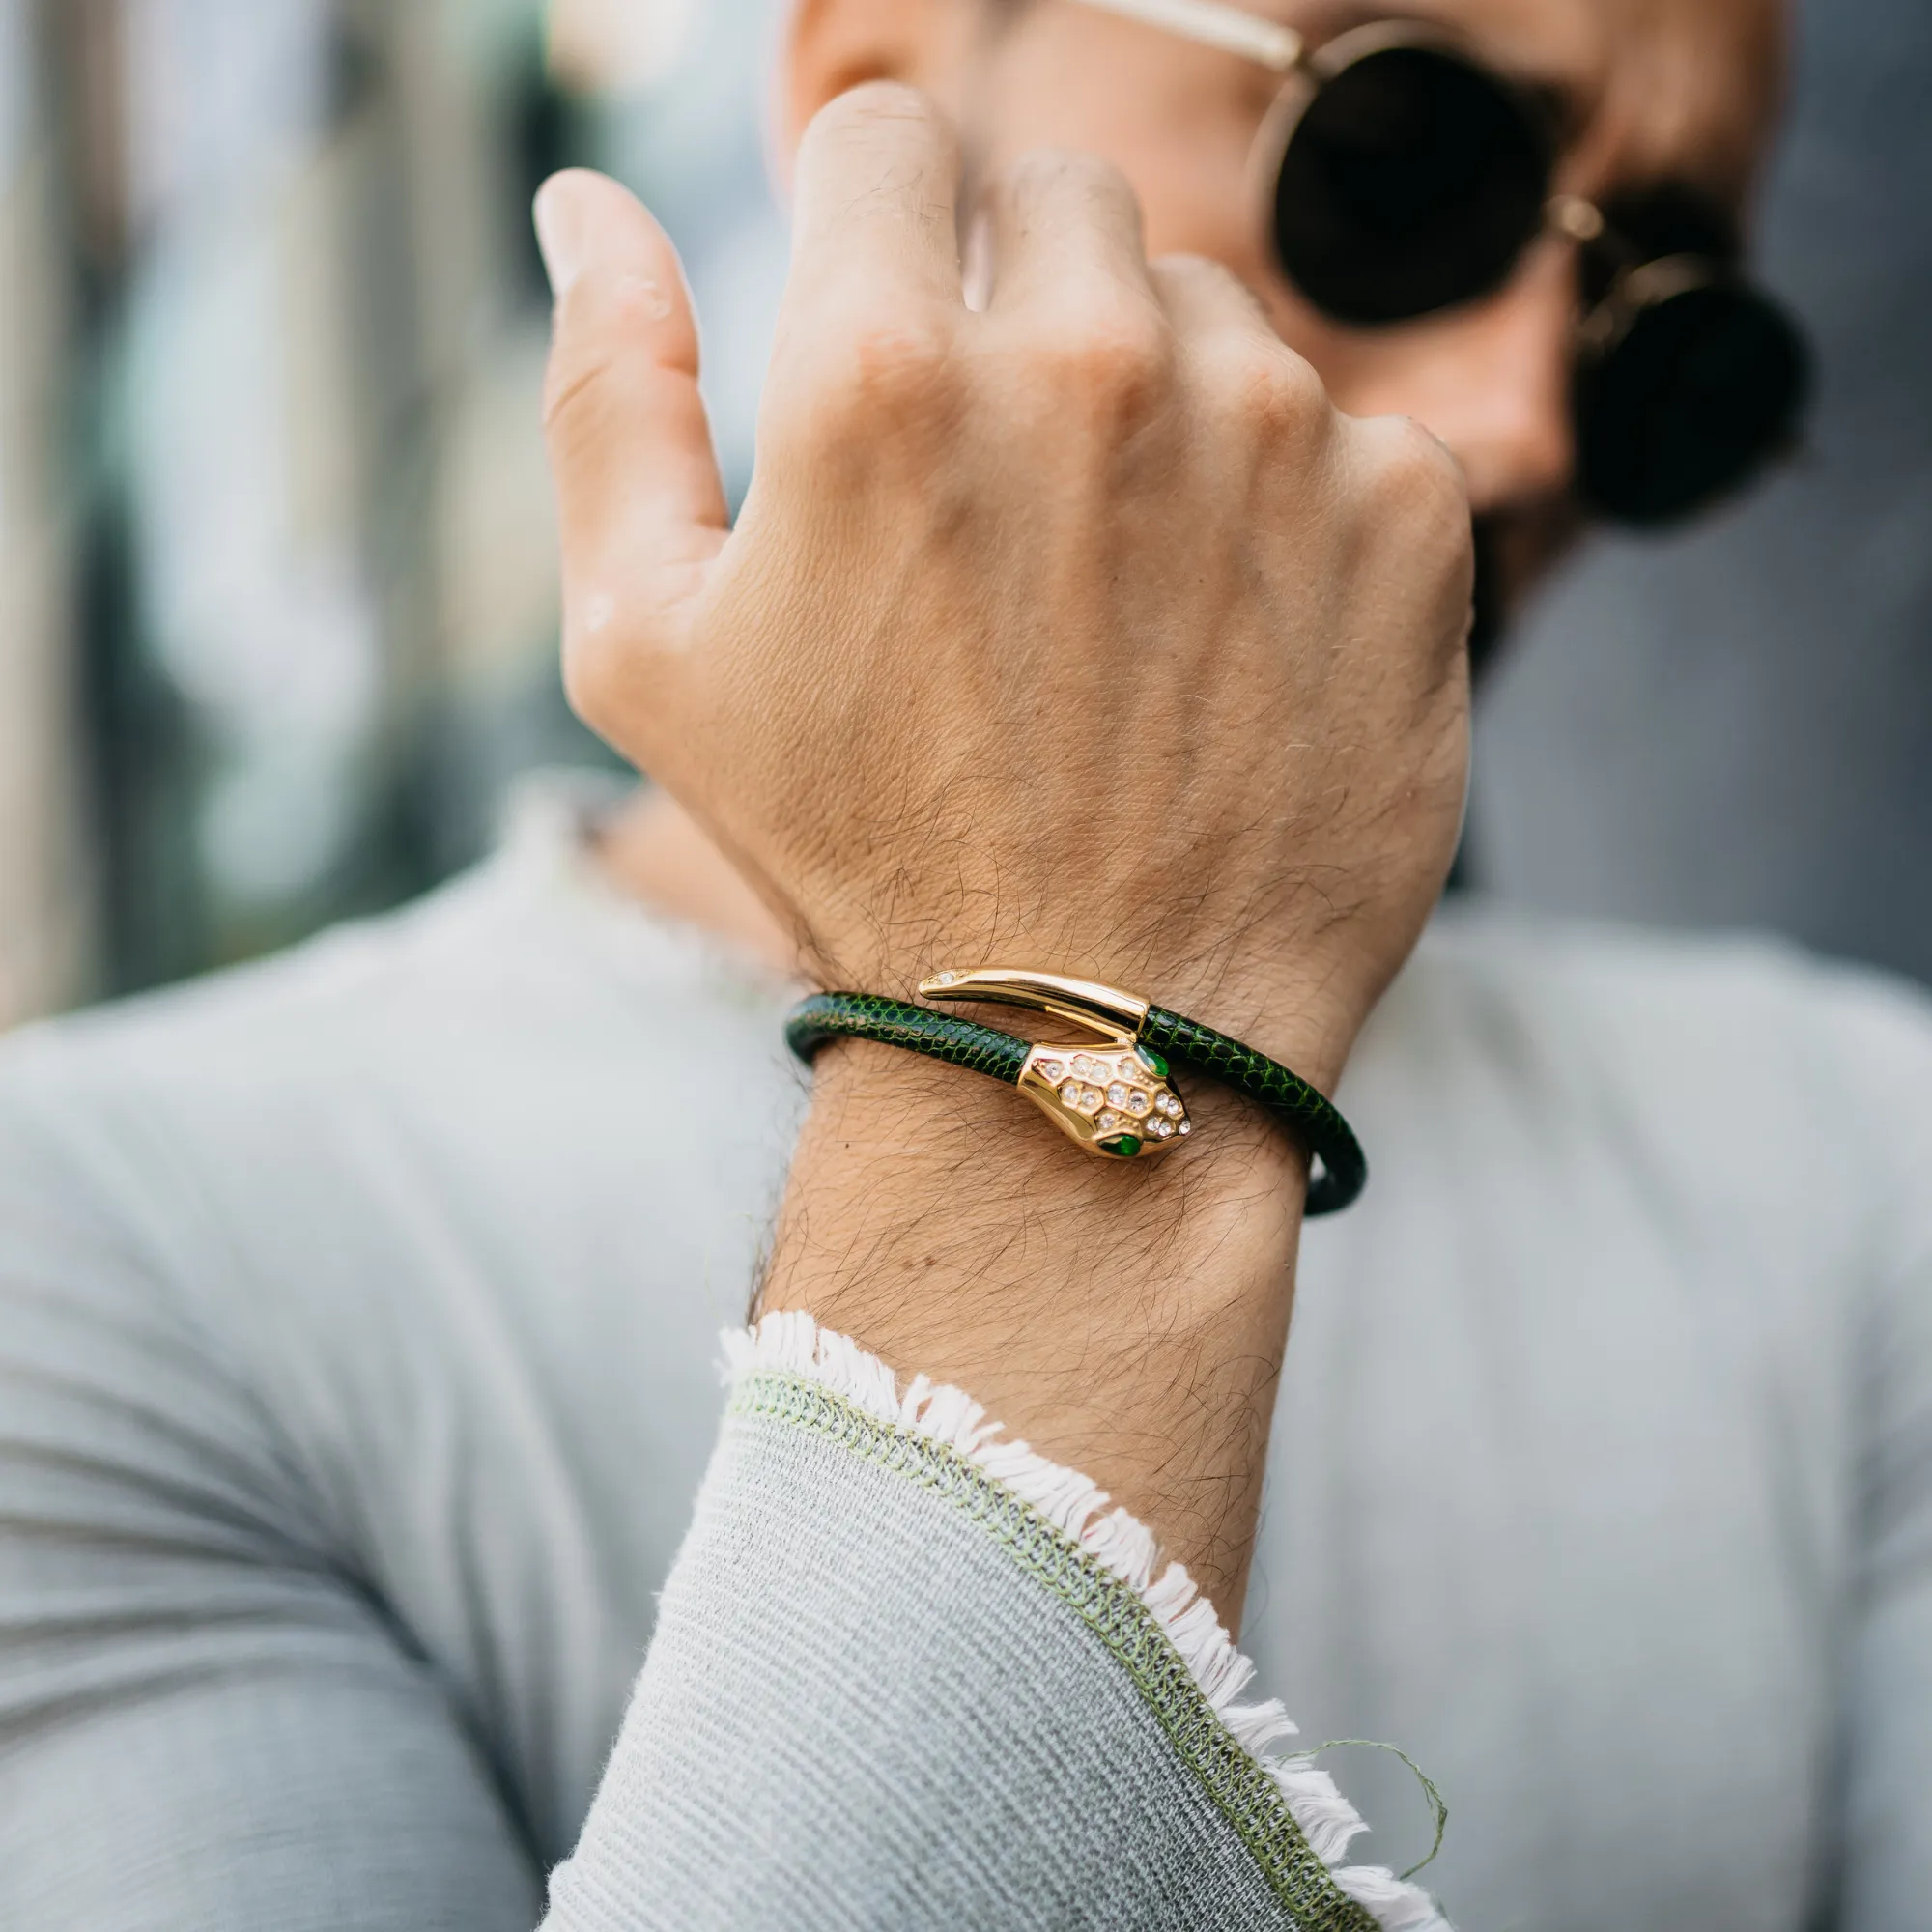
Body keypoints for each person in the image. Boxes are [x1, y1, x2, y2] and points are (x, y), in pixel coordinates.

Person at [0, 1, 1923, 1927]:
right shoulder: (93, 1241)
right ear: (877, 101)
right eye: (1407, 168)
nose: (1519, 423)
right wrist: (1058, 965)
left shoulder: (1865, 1157)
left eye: (1671, 342)